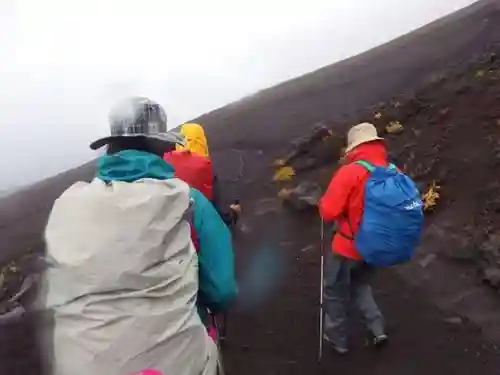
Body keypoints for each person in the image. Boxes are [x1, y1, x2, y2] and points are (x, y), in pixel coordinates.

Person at [39, 97, 237, 375]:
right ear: (160, 147)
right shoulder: (187, 201)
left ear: (110, 146)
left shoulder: (66, 205)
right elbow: (222, 290)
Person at [318, 122, 388, 355]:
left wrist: (322, 204)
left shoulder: (351, 172)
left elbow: (328, 211)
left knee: (334, 290)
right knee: (361, 284)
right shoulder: (390, 169)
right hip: (376, 244)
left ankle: (338, 340)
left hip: (348, 247)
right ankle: (378, 329)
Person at [164, 122, 241, 227]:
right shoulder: (205, 169)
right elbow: (217, 217)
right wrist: (234, 213)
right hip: (197, 234)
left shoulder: (164, 164)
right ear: (202, 141)